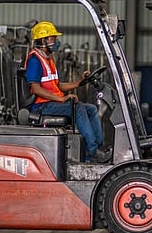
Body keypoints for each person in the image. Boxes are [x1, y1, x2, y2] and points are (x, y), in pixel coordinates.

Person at [25, 21, 108, 162]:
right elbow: (35, 88)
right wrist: (61, 99)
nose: (56, 42)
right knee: (78, 107)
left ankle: (99, 147)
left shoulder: (48, 60)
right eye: (53, 38)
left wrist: (79, 82)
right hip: (42, 106)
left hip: (52, 103)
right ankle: (92, 151)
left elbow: (57, 86)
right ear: (43, 41)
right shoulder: (34, 60)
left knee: (91, 109)